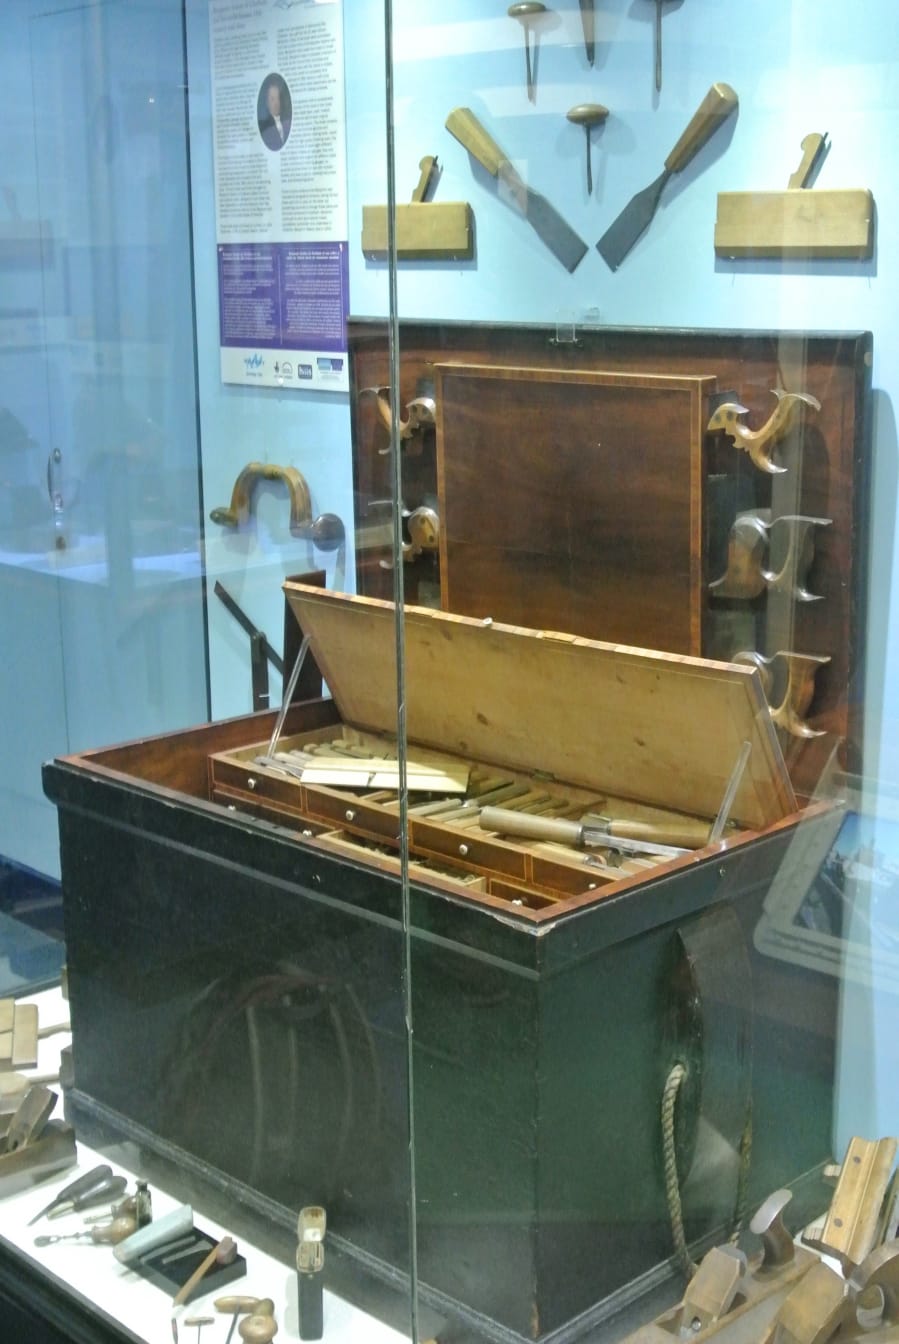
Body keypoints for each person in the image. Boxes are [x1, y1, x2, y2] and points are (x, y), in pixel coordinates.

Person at [258, 77, 291, 151]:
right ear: (267, 102)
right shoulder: (265, 128)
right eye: (272, 99)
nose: (276, 103)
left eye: (277, 98)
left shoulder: (287, 122)